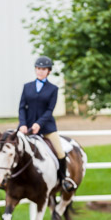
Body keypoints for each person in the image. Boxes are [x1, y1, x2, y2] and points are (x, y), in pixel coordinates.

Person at [18, 55, 77, 193]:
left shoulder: (53, 89)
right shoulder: (27, 87)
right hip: (27, 126)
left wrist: (39, 124)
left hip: (47, 127)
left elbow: (50, 110)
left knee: (60, 152)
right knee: (13, 147)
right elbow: (22, 107)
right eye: (38, 68)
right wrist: (23, 124)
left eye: (43, 69)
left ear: (48, 71)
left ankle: (63, 179)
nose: (40, 71)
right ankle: (11, 178)